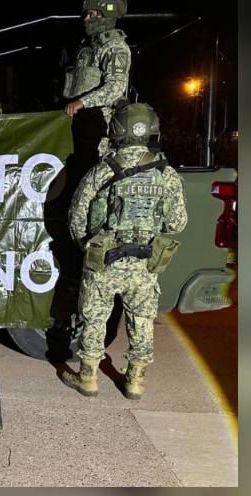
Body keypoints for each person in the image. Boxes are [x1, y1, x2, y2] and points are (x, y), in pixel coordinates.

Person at [62, 101, 188, 399]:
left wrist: (87, 246)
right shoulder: (166, 173)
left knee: (95, 317)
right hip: (144, 261)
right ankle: (135, 381)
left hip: (104, 258)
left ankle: (88, 378)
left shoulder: (103, 170)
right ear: (151, 130)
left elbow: (76, 217)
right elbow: (177, 223)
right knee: (142, 320)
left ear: (116, 129)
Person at [63, 0, 131, 158]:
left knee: (94, 167)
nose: (86, 19)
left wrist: (82, 102)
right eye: (85, 15)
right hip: (80, 123)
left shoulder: (114, 47)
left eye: (91, 14)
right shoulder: (88, 48)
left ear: (104, 16)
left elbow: (116, 86)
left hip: (100, 127)